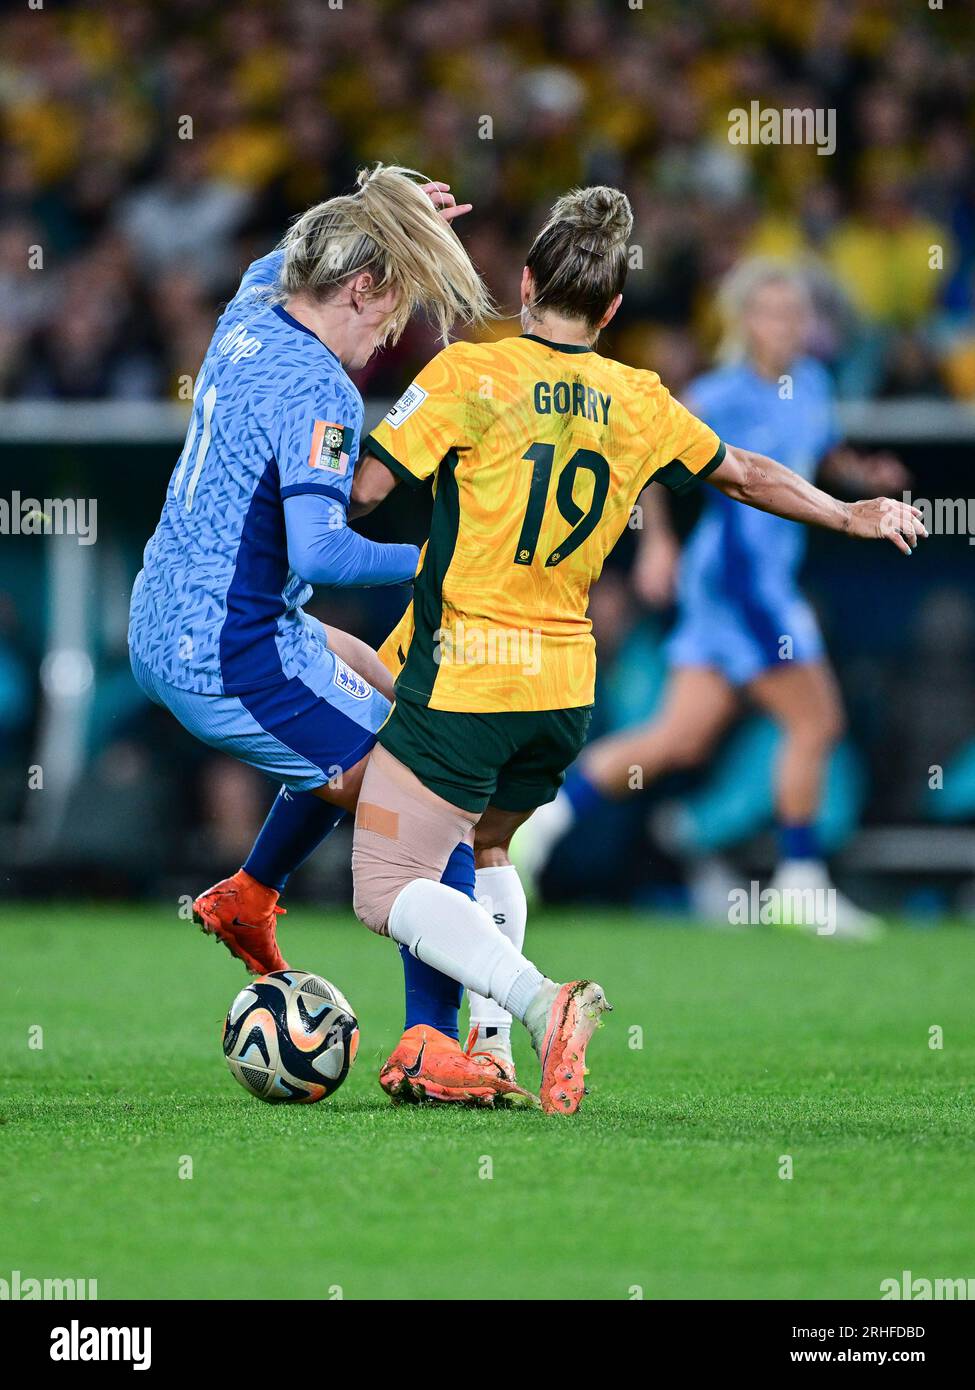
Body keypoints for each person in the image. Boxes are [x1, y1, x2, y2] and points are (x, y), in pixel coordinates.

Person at [345, 190, 926, 1115]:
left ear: (526, 283)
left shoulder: (467, 373)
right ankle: (489, 1048)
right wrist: (847, 512)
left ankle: (539, 1005)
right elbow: (743, 472)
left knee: (387, 886)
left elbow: (366, 491)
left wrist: (311, 448)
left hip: (469, 663)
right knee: (489, 842)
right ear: (613, 310)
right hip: (567, 681)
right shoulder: (641, 396)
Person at [129, 165, 532, 1108]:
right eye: (386, 319)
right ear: (360, 288)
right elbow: (327, 549)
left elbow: (299, 250)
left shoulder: (250, 308)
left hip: (179, 615)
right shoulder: (321, 391)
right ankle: (429, 1044)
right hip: (231, 654)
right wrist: (449, 564)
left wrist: (380, 205)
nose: (382, 343)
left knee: (374, 693)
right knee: (429, 800)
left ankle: (251, 893)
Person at [514, 259, 909, 935]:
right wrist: (659, 541)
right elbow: (652, 462)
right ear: (744, 320)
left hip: (753, 584)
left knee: (677, 740)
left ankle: (540, 823)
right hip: (739, 583)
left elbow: (821, 449)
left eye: (797, 314)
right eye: (773, 312)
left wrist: (859, 472)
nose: (787, 326)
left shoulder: (810, 383)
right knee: (816, 723)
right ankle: (799, 882)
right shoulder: (718, 394)